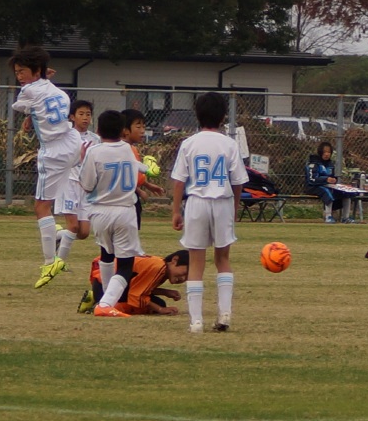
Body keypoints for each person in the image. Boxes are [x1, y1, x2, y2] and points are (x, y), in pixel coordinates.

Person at [170, 92, 249, 333]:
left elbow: (179, 181)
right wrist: (234, 207)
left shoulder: (189, 143)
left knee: (196, 262)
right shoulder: (229, 144)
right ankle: (224, 314)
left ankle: (196, 321)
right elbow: (238, 181)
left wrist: (176, 210)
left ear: (197, 115)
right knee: (222, 259)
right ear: (223, 116)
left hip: (196, 203)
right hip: (222, 201)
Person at [10, 46, 81, 289]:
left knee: (41, 206)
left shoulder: (28, 90)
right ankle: (59, 234)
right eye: (17, 72)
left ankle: (50, 262)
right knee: (61, 194)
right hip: (72, 142)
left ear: (37, 70)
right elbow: (43, 102)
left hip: (53, 151)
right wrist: (42, 81)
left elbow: (20, 105)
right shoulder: (59, 92)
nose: (19, 76)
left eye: (22, 71)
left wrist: (28, 110)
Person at [77, 109, 145, 318]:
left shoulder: (94, 152)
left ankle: (104, 299)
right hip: (125, 211)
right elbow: (138, 169)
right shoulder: (128, 149)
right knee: (125, 264)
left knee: (106, 254)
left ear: (98, 130)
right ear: (123, 130)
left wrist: (83, 161)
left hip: (100, 212)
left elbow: (87, 185)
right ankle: (106, 303)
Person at [53, 100, 97, 268]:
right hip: (68, 184)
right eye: (81, 114)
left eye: (88, 114)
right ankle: (58, 264)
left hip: (87, 188)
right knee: (73, 226)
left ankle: (58, 235)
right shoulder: (66, 137)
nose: (85, 118)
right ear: (72, 117)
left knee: (84, 232)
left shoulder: (95, 139)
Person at [80, 250, 190, 316]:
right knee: (147, 306)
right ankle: (102, 305)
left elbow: (138, 286)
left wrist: (165, 292)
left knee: (158, 303)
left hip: (103, 282)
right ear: (174, 260)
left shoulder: (160, 265)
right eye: (185, 272)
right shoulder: (160, 268)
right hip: (104, 283)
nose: (183, 278)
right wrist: (160, 310)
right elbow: (135, 295)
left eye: (187, 277)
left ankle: (96, 298)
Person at [305, 141, 355, 223]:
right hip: (313, 187)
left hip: (328, 186)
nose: (327, 154)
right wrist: (326, 179)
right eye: (325, 152)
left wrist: (334, 181)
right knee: (327, 191)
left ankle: (346, 218)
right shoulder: (313, 164)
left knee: (346, 193)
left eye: (329, 152)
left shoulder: (330, 164)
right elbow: (312, 179)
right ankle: (328, 216)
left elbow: (332, 178)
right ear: (320, 152)